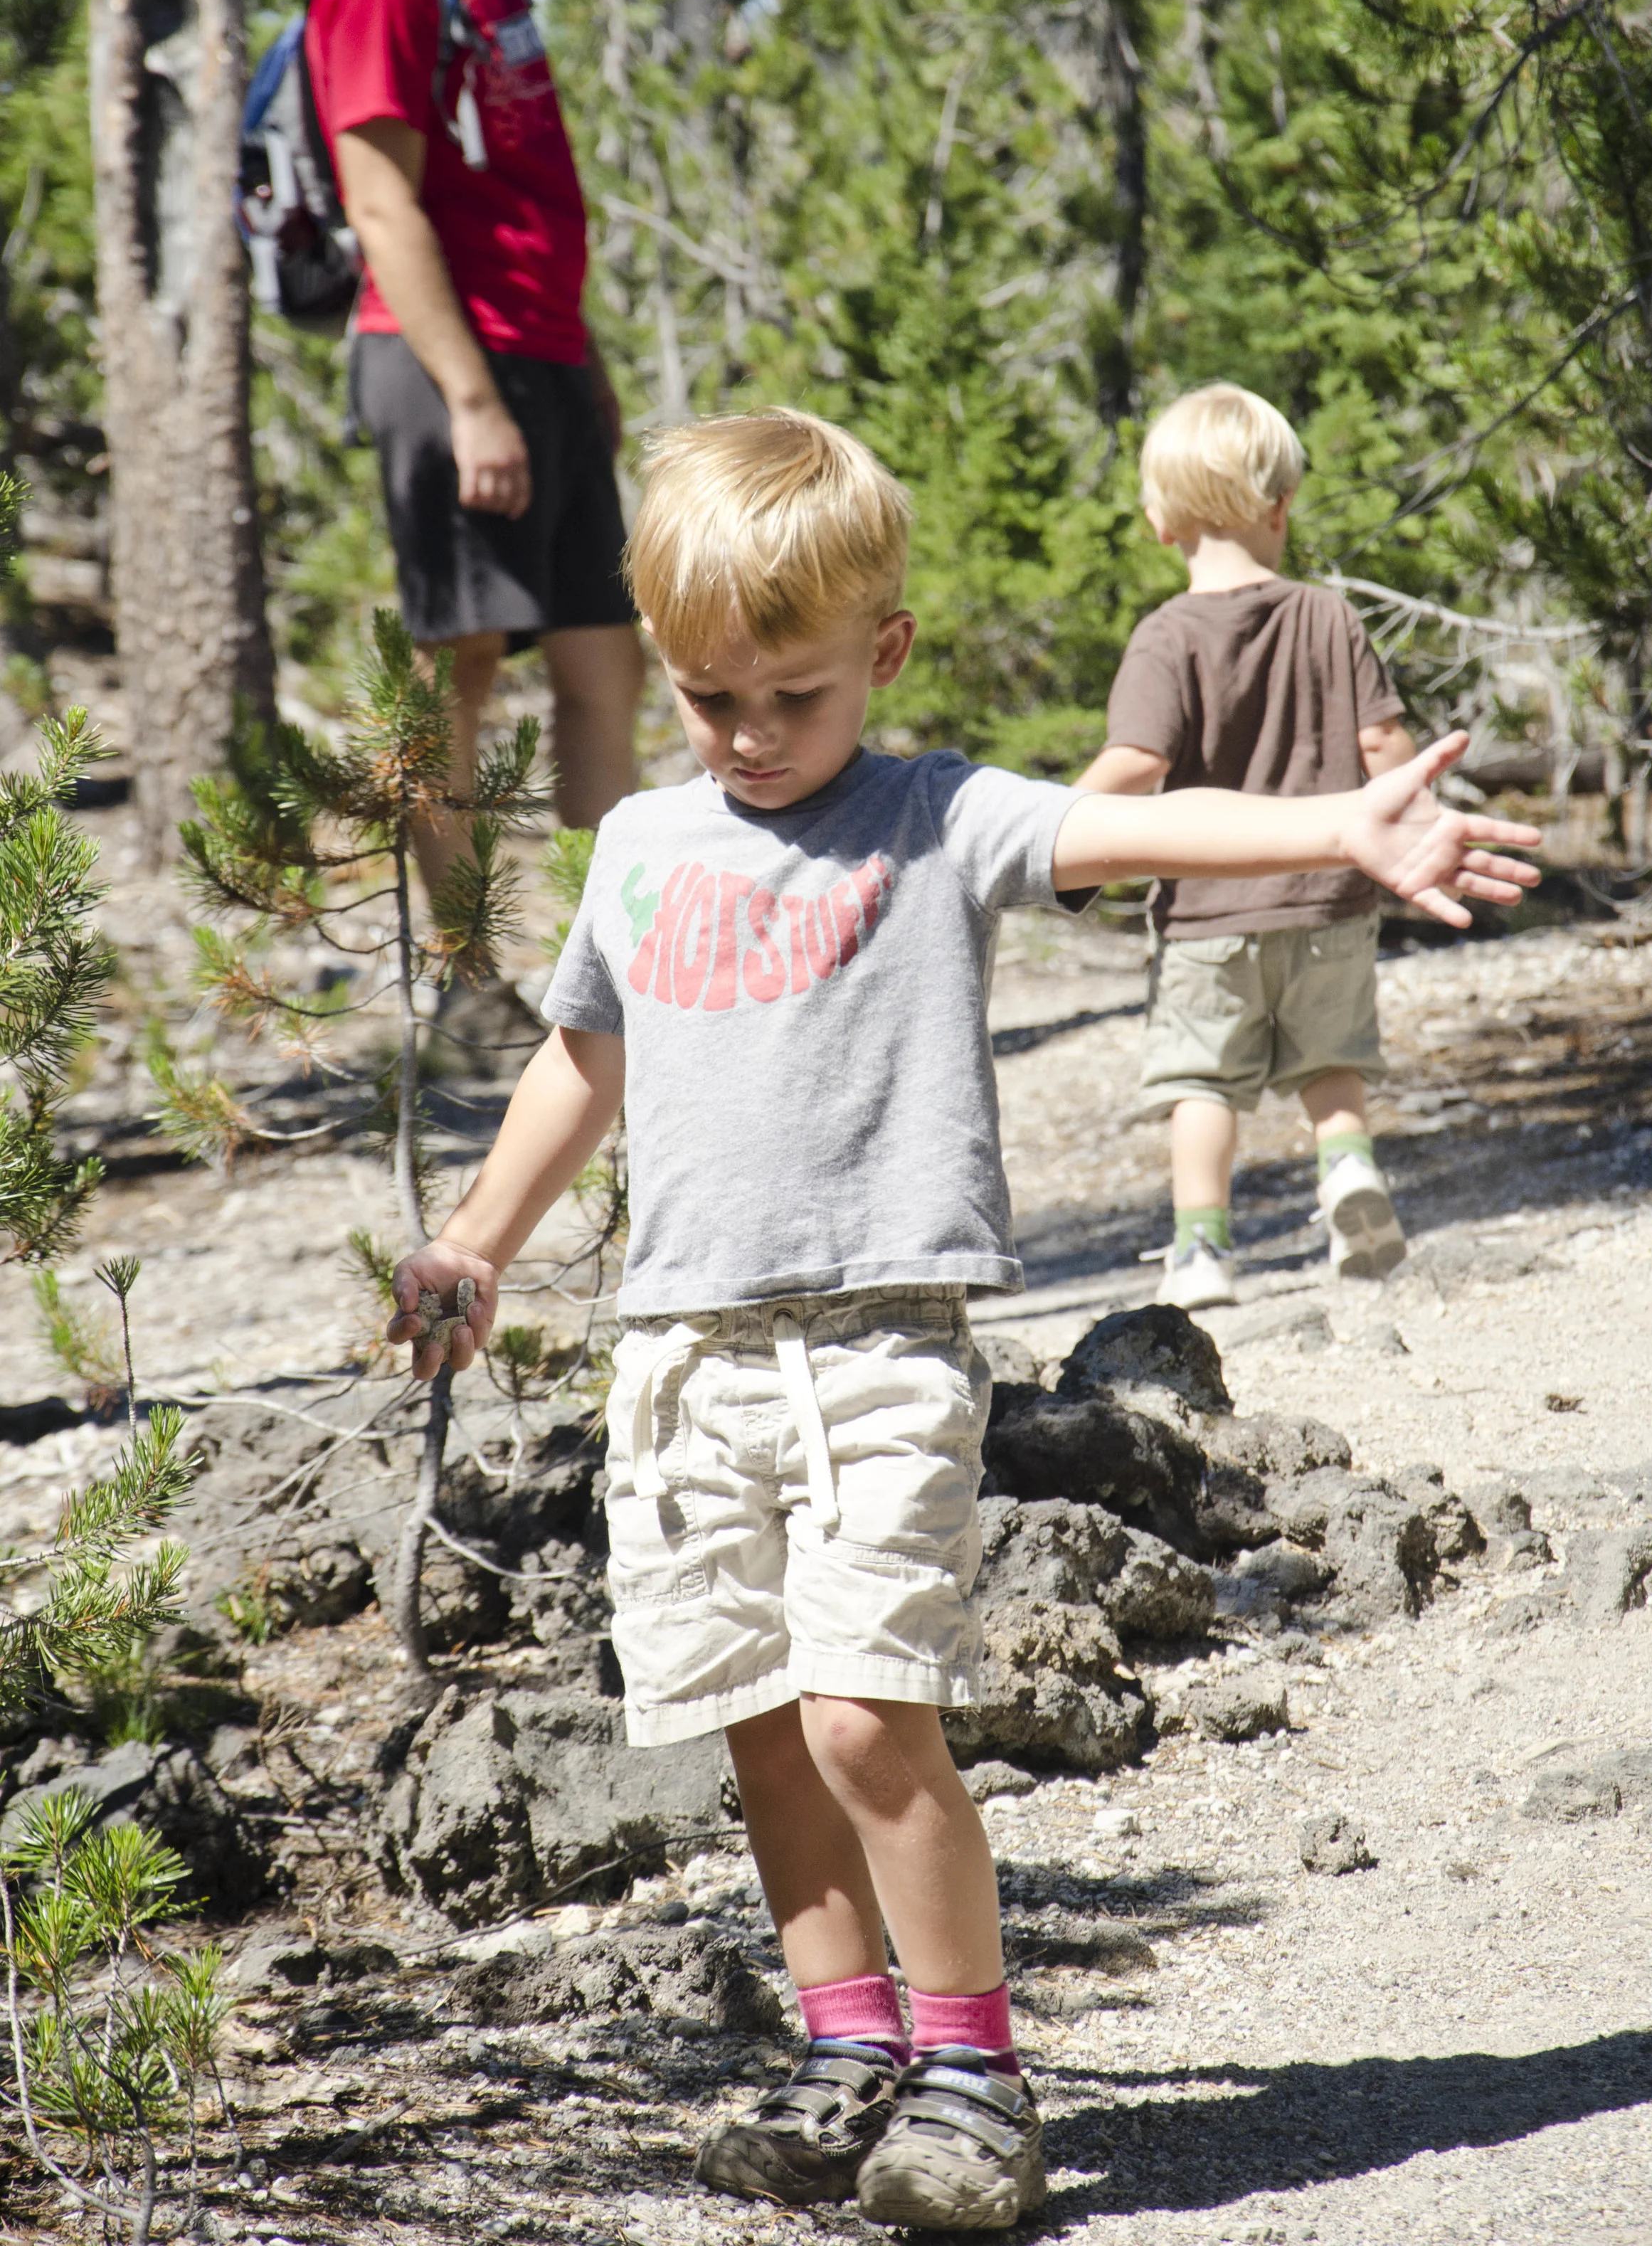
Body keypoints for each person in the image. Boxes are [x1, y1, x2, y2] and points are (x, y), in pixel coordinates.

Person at [384, 408, 1538, 2230]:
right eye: (708, 700)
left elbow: (1120, 822)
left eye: (795, 698)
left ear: (884, 656)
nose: (753, 739)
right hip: (681, 1357)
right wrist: (477, 1237)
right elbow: (582, 1057)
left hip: (878, 1345)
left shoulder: (932, 818)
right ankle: (852, 2054)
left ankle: (975, 2074)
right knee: (757, 1720)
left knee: (862, 1721)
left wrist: (1343, 820)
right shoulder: (636, 848)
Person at [304, 0, 645, 890]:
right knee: (467, 666)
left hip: (542, 352)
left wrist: (582, 359)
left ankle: (606, 963)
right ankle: (459, 974)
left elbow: (519, 193)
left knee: (606, 659)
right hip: (447, 362)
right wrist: (472, 399)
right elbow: (381, 202)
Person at [1077, 381, 1421, 1313]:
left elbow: (1137, 759)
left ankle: (1201, 1249)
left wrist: (1054, 824)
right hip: (1329, 903)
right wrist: (1423, 829)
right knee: (1330, 1062)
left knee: (1202, 1086)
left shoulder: (1165, 637)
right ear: (1281, 507)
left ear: (1161, 521)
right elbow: (1386, 751)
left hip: (1207, 915)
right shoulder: (1331, 618)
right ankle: (1348, 1172)